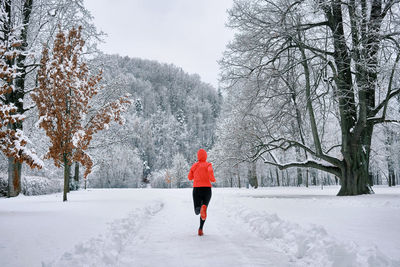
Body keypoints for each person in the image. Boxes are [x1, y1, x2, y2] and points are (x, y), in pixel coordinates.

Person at [188, 148, 216, 236]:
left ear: (198, 156)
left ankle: (199, 209)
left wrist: (194, 172)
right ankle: (200, 229)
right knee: (204, 209)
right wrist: (212, 179)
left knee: (197, 210)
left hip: (197, 189)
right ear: (206, 156)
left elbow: (190, 177)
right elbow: (210, 172)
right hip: (207, 189)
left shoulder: (195, 165)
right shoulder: (208, 165)